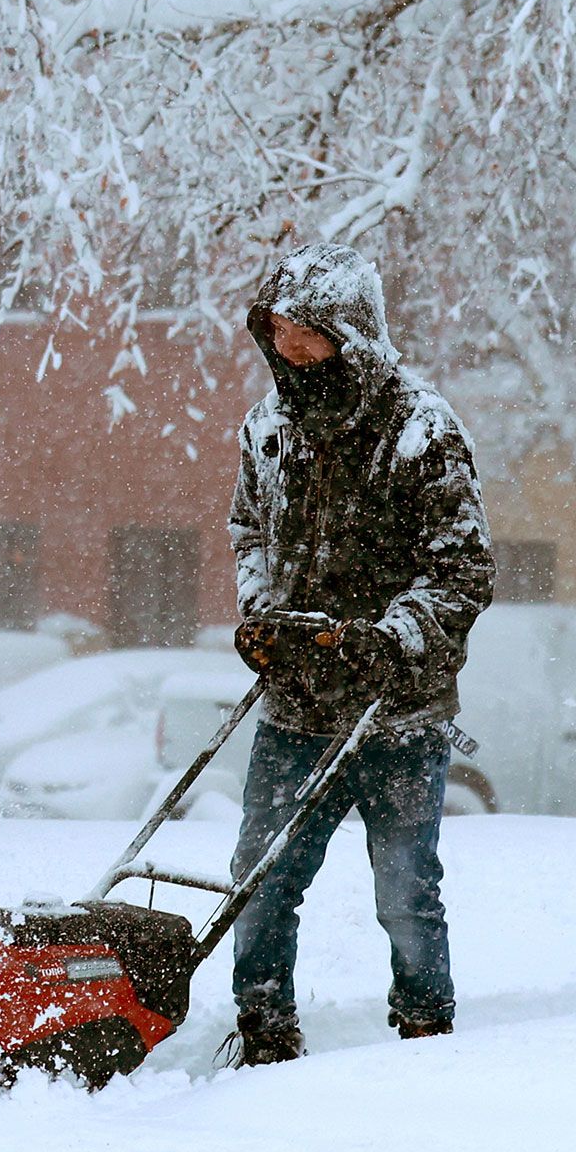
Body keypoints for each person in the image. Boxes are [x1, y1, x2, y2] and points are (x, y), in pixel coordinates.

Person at [221, 242, 494, 1066]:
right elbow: (247, 533)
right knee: (261, 877)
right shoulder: (268, 430)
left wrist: (389, 639)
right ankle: (264, 1027)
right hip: (299, 704)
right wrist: (265, 617)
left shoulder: (423, 432)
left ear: (352, 334)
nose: (290, 350)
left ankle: (423, 1031)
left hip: (399, 712)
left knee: (406, 889)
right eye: (279, 335)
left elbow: (463, 570)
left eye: (307, 336)